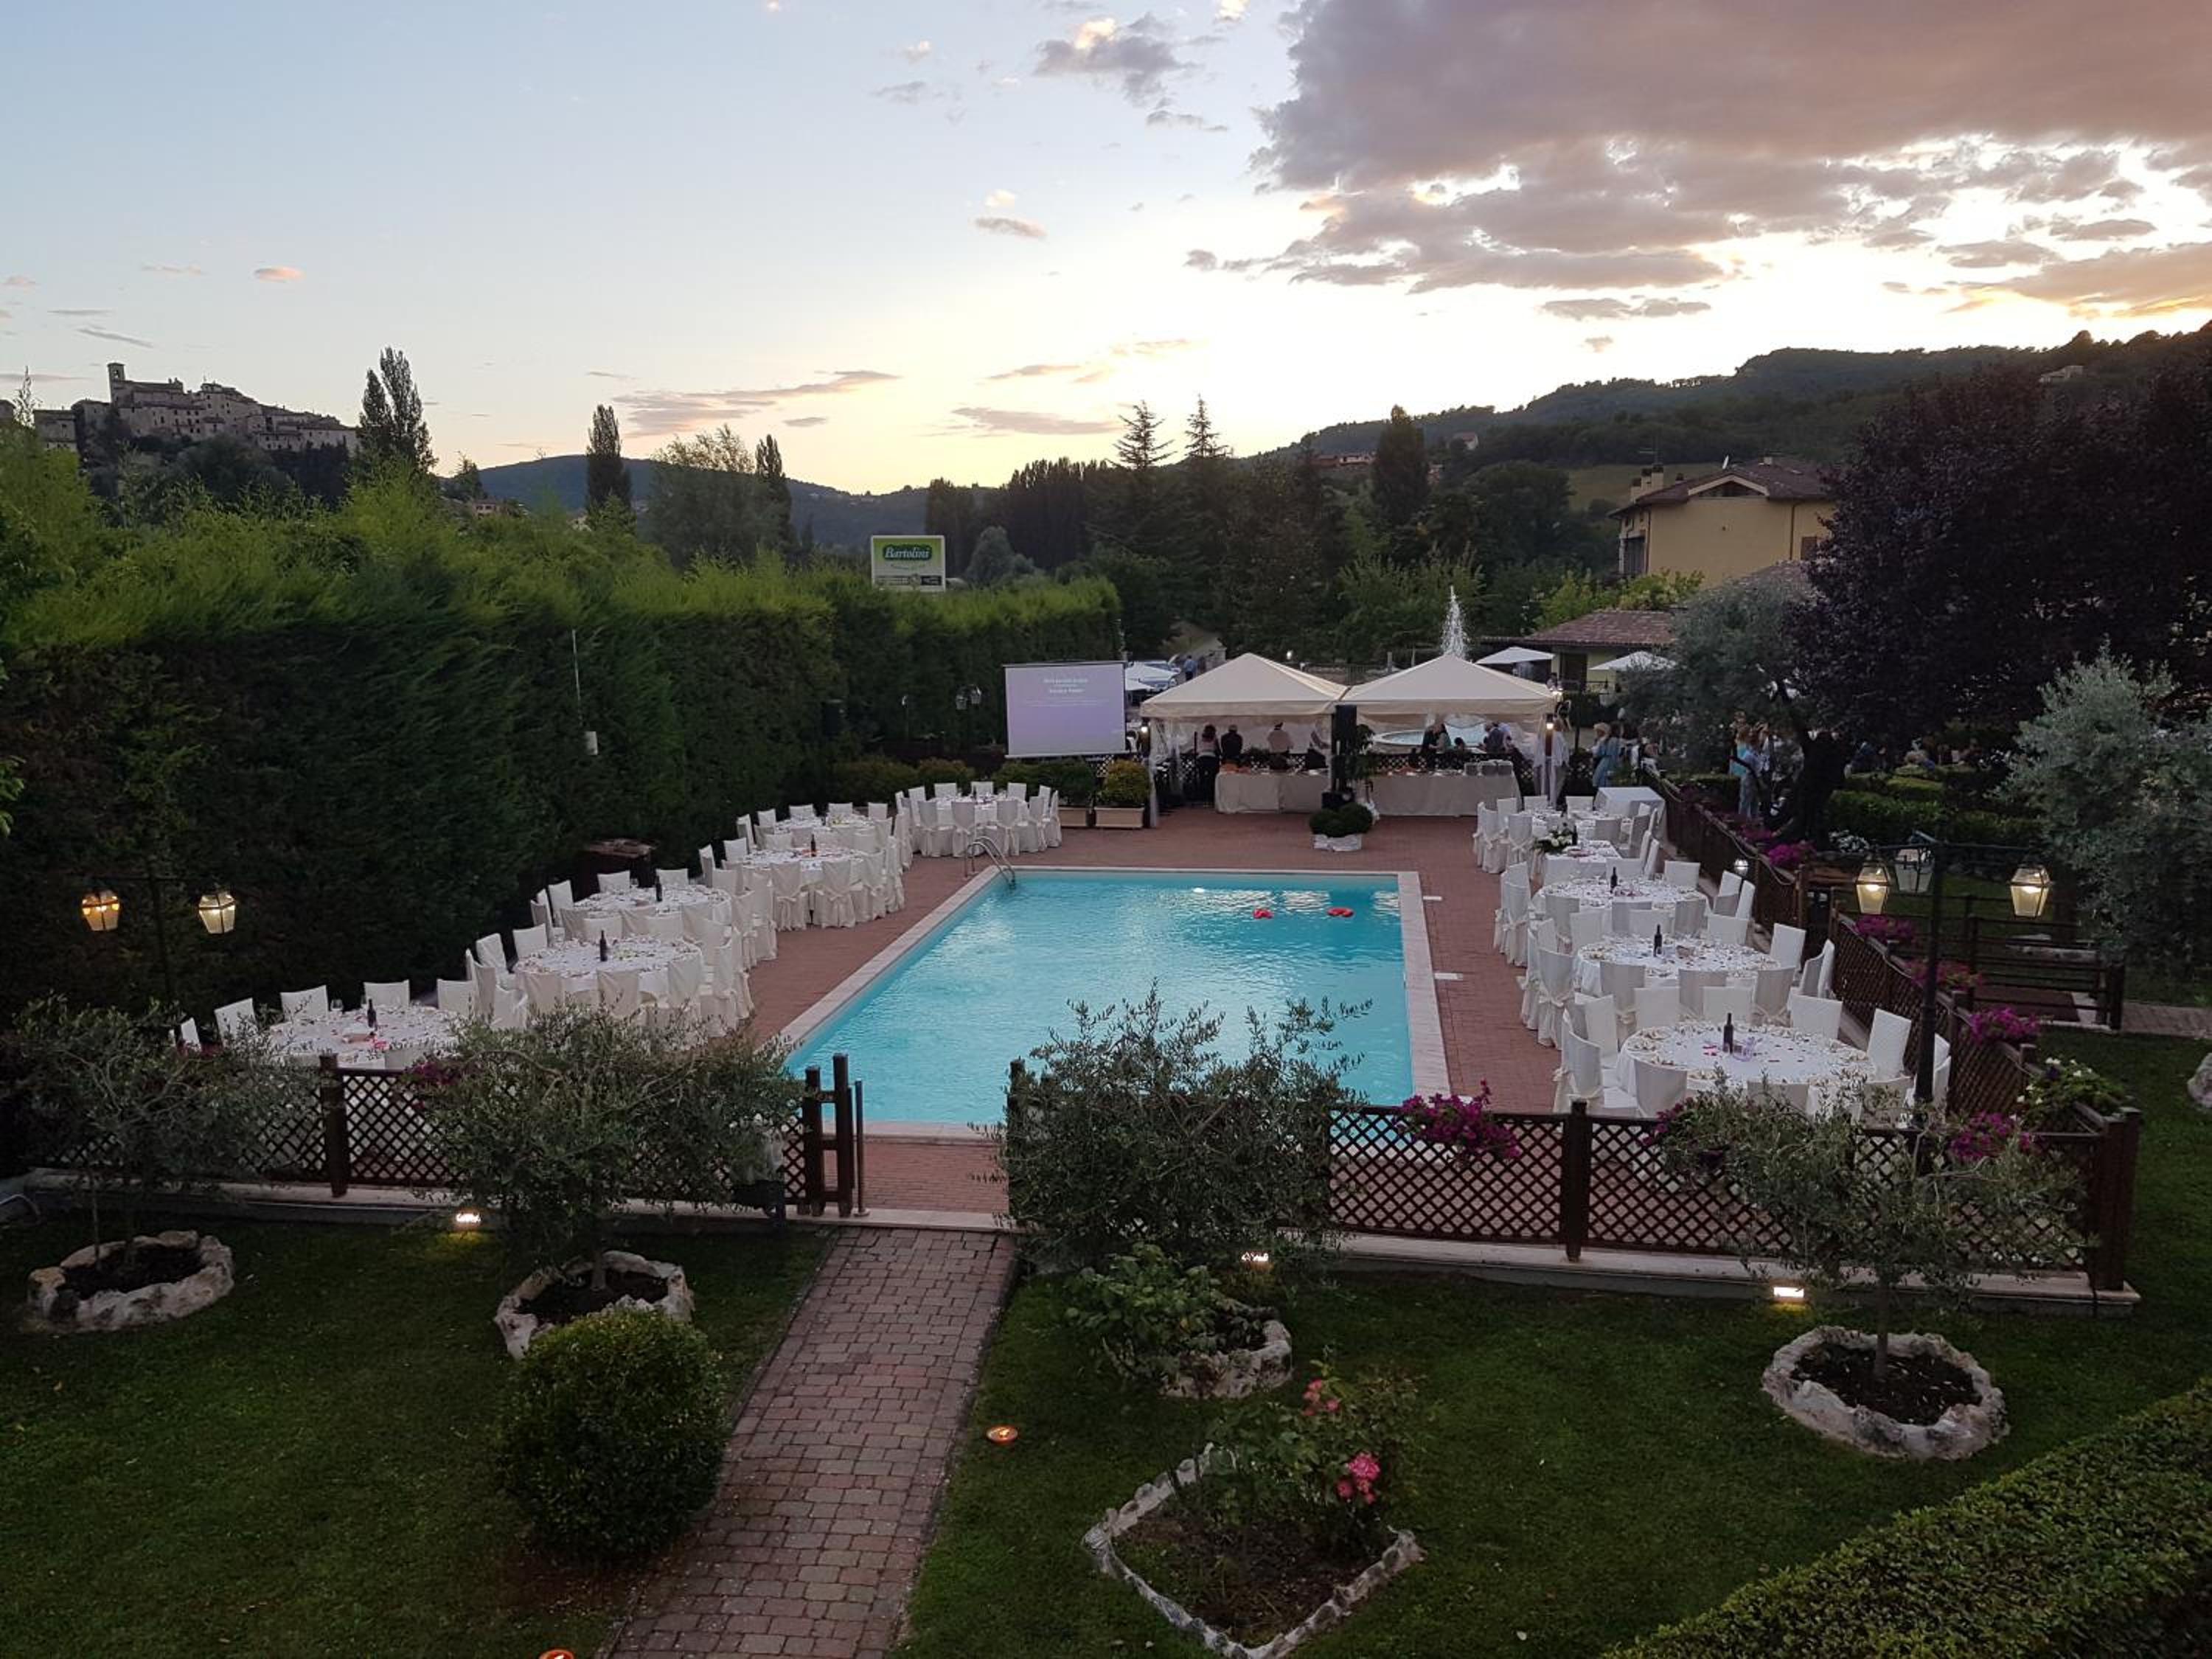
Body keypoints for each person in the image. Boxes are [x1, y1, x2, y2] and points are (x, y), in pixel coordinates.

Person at [1591, 721, 1623, 790]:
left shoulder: (1605, 740)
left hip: (1603, 762)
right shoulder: (1616, 741)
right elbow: (1615, 755)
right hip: (1611, 763)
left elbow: (1598, 753)